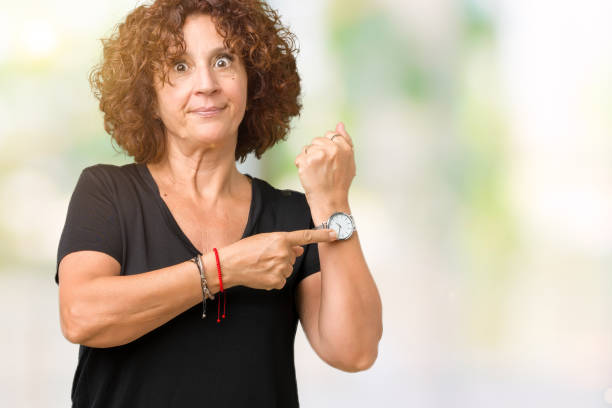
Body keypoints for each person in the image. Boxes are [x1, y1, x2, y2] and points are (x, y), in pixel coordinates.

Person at [55, 0, 382, 406]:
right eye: (179, 66)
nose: (206, 83)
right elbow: (81, 316)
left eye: (223, 61)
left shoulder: (291, 215)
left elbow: (354, 351)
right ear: (148, 94)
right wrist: (227, 268)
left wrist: (334, 201)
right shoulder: (107, 191)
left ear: (254, 82)